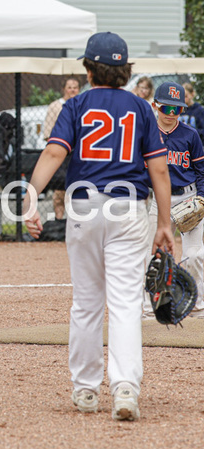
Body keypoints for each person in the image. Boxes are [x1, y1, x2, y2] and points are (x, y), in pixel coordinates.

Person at [24, 32, 173, 421]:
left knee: (87, 303)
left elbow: (55, 151)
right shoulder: (141, 108)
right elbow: (158, 167)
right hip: (129, 208)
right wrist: (164, 223)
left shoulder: (75, 104)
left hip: (85, 207)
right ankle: (125, 387)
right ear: (125, 71)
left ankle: (86, 389)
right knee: (125, 303)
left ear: (89, 70)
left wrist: (30, 194)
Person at [143, 82, 204, 316]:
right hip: (161, 200)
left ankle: (198, 308)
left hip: (189, 198)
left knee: (195, 255)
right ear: (154, 105)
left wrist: (202, 198)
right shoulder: (147, 135)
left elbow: (201, 170)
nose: (170, 114)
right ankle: (151, 308)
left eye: (176, 110)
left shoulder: (190, 134)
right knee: (154, 254)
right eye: (165, 108)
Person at [41, 77, 81, 220]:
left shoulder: (82, 105)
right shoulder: (55, 106)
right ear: (64, 89)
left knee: (76, 188)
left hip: (78, 154)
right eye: (69, 87)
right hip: (62, 153)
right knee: (59, 191)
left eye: (75, 87)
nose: (72, 90)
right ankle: (59, 220)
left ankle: (74, 220)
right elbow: (48, 132)